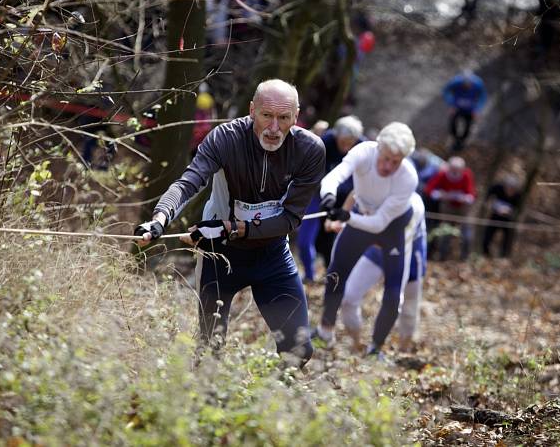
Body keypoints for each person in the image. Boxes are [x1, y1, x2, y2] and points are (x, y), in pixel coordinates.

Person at [134, 79, 326, 366]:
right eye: (266, 116)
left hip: (272, 255)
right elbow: (189, 182)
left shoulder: (309, 150)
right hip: (219, 253)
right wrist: (160, 219)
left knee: (299, 349)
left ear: (296, 117)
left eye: (283, 118)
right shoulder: (226, 138)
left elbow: (290, 219)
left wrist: (235, 227)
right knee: (209, 349)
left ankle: (267, 404)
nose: (274, 128)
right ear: (252, 111)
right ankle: (203, 404)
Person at [313, 122, 418, 356]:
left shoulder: (408, 178)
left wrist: (347, 217)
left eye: (396, 161)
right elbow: (335, 176)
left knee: (392, 293)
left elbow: (380, 223)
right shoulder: (363, 151)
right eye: (386, 158)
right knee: (336, 271)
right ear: (378, 147)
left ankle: (376, 348)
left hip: (392, 226)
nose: (388, 166)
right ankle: (325, 331)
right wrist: (329, 197)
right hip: (361, 216)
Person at [339, 192, 427, 354]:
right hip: (376, 253)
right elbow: (358, 193)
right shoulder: (374, 192)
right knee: (348, 298)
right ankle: (357, 344)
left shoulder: (414, 204)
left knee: (407, 307)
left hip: (409, 252)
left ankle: (402, 351)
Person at [295, 116, 365, 282]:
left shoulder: (362, 146)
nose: (346, 147)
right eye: (343, 142)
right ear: (336, 136)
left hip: (347, 197)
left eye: (351, 142)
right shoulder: (324, 141)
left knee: (336, 239)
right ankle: (309, 275)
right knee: (304, 240)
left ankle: (335, 275)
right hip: (318, 194)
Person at [424, 156, 476, 261]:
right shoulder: (443, 174)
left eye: (458, 170)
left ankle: (465, 259)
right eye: (453, 169)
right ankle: (442, 257)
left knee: (467, 234)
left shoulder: (466, 175)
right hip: (447, 208)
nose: (455, 172)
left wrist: (464, 198)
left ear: (462, 169)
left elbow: (472, 194)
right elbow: (428, 189)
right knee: (445, 233)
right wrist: (440, 194)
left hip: (463, 209)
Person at [442, 71, 488, 150]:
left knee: (468, 126)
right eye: (464, 85)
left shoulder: (478, 84)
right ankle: (453, 138)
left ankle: (462, 141)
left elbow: (483, 97)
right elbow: (446, 91)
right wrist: (451, 103)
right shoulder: (456, 82)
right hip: (457, 107)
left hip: (470, 109)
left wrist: (477, 109)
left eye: (469, 85)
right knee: (453, 123)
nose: (466, 86)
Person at [482, 174, 522, 258]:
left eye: (512, 189)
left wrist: (510, 211)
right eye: (508, 188)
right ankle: (486, 254)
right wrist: (491, 206)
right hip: (495, 216)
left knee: (507, 240)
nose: (510, 191)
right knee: (486, 237)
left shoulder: (518, 196)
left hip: (508, 219)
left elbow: (518, 210)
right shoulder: (497, 188)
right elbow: (487, 197)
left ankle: (503, 257)